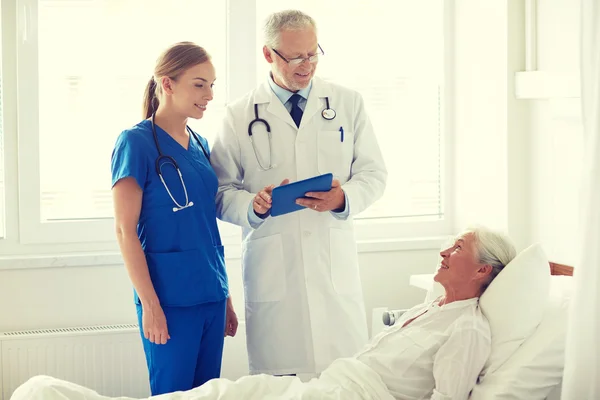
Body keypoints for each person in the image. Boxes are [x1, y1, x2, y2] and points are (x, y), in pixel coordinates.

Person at [13, 226, 517, 400]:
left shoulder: (467, 328)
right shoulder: (430, 306)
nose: (445, 252)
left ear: (484, 272)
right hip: (322, 386)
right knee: (220, 391)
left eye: (458, 248)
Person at [209, 10, 388, 377]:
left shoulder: (346, 103)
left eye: (313, 53)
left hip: (331, 264)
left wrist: (343, 199)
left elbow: (373, 173)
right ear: (268, 55)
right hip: (275, 270)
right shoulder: (239, 114)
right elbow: (220, 191)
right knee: (280, 384)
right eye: (295, 57)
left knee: (344, 380)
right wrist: (253, 206)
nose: (307, 65)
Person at [110, 42, 238, 395]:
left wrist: (224, 295)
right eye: (199, 84)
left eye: (212, 85)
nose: (209, 94)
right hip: (169, 299)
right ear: (166, 84)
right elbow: (125, 231)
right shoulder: (135, 143)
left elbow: (204, 226)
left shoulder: (198, 143)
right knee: (172, 392)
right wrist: (150, 305)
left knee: (207, 393)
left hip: (210, 294)